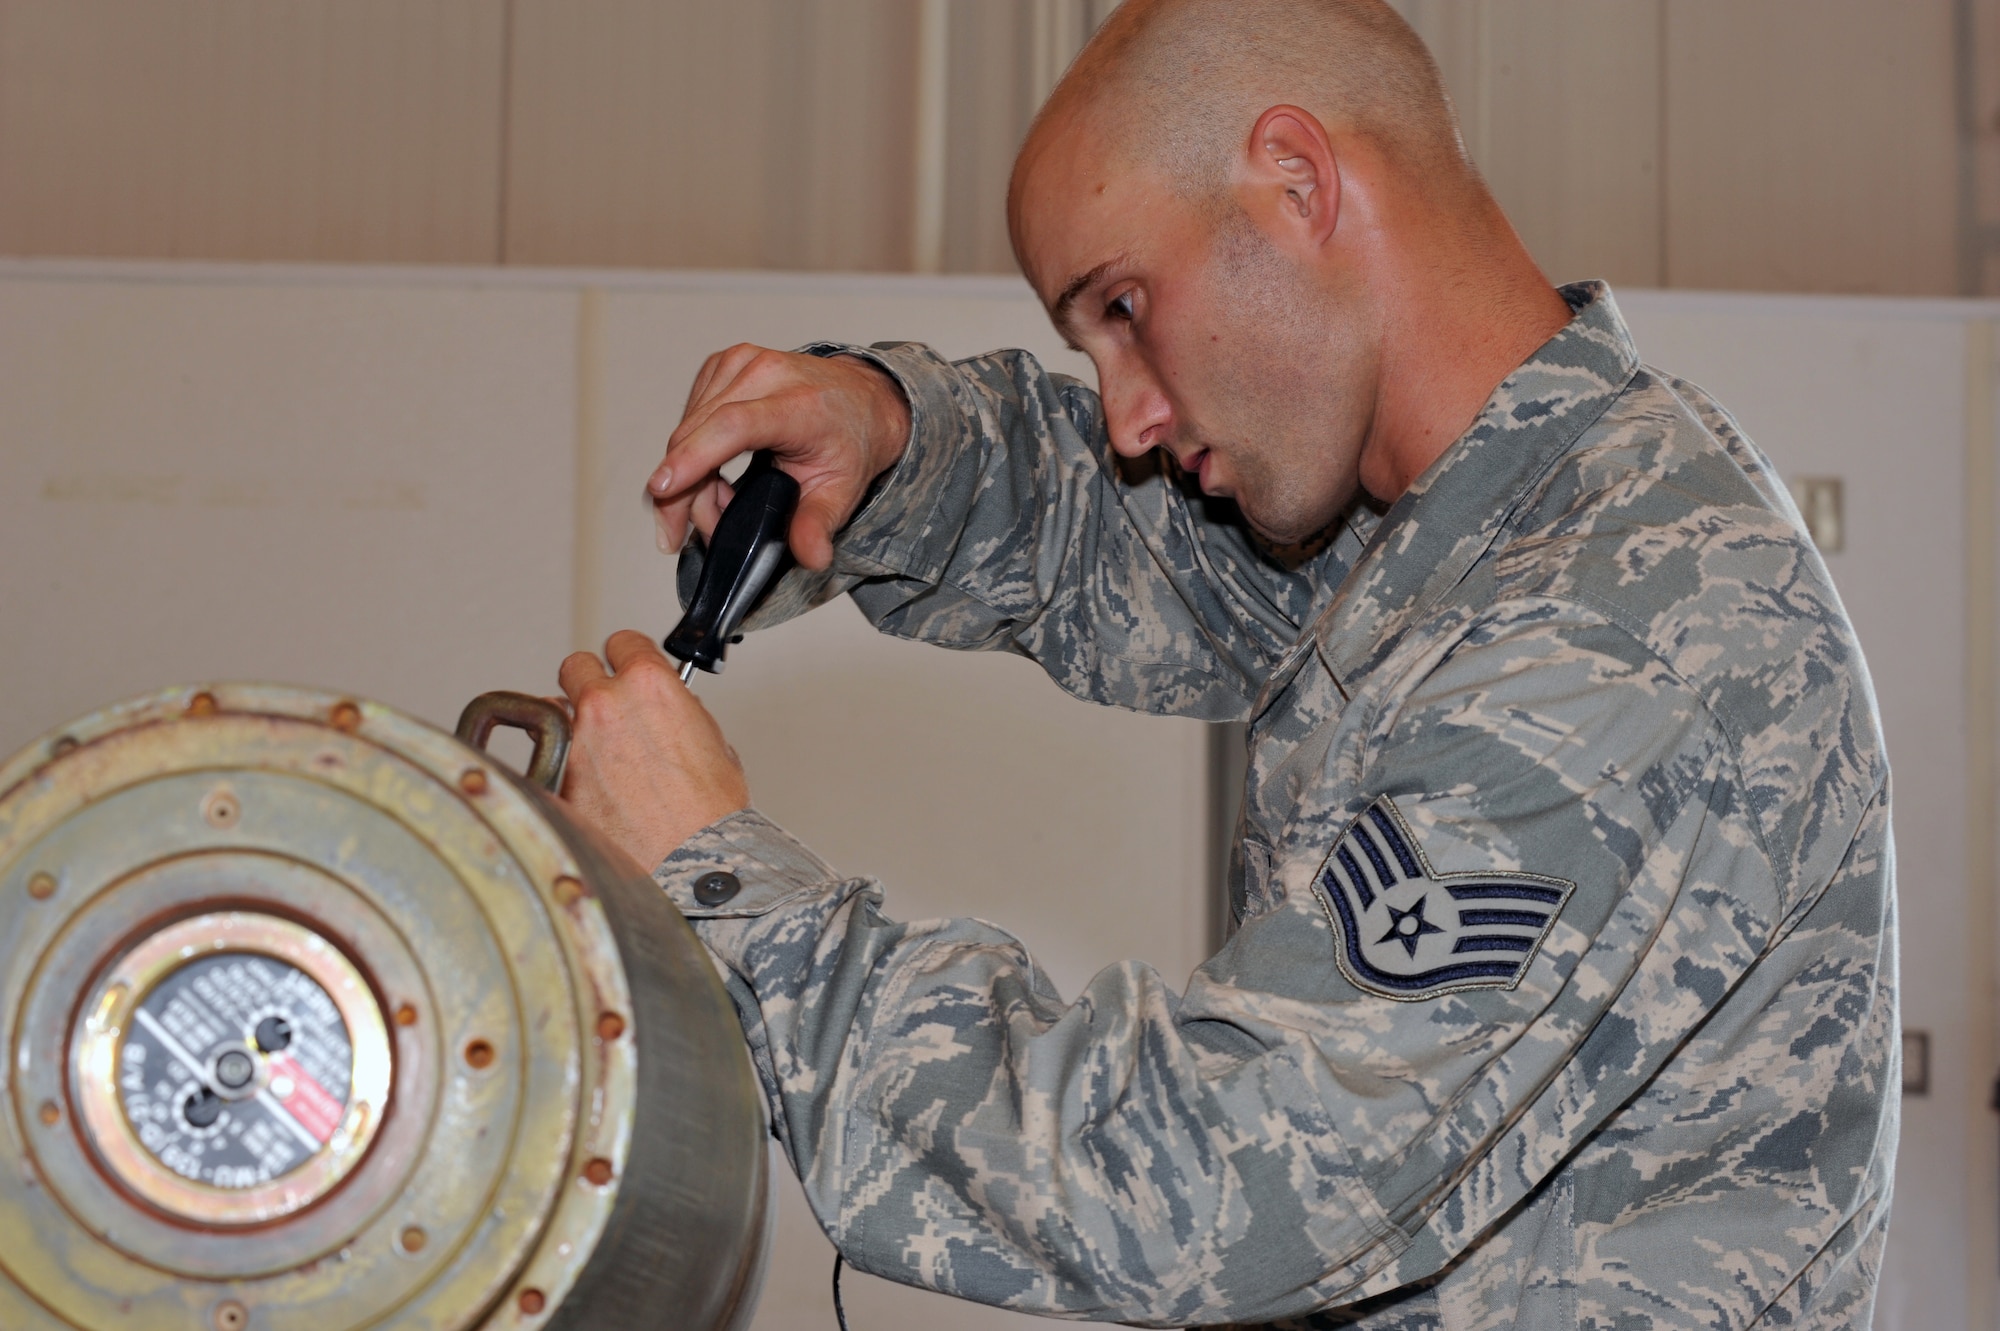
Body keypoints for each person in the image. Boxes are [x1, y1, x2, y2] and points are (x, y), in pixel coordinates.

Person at [554, 1, 1897, 1325]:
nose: (1130, 416)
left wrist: (719, 877)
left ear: (1299, 182)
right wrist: (897, 440)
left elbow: (1205, 1185)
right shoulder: (1453, 516)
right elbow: (1122, 540)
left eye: (1126, 306)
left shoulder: (1615, 623)